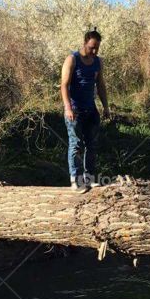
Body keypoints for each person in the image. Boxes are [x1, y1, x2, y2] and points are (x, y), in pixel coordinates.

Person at [61, 30, 110, 192]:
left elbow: (100, 85)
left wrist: (106, 106)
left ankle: (89, 178)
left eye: (97, 48)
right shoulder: (72, 60)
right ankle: (76, 180)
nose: (94, 51)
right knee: (76, 144)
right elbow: (64, 85)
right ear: (84, 43)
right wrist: (68, 107)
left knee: (92, 145)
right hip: (75, 110)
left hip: (91, 109)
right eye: (91, 47)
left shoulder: (98, 62)